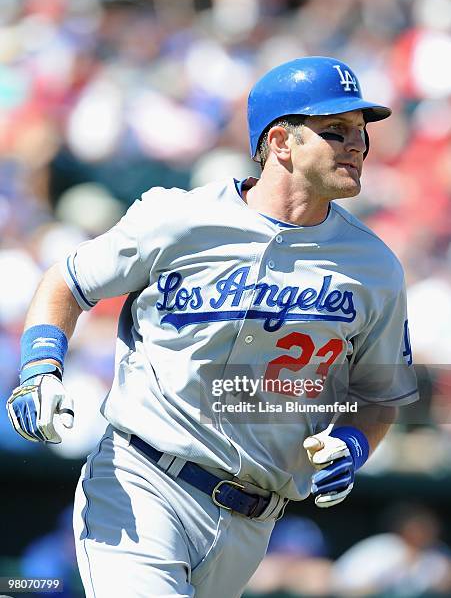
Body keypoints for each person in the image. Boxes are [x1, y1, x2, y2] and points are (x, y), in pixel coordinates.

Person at [7, 56, 418, 598]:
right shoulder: (178, 218)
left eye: (361, 133)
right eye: (335, 131)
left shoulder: (375, 266)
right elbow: (67, 282)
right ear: (281, 142)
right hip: (143, 481)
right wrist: (40, 367)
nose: (357, 146)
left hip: (253, 522)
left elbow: (380, 394)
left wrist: (354, 445)